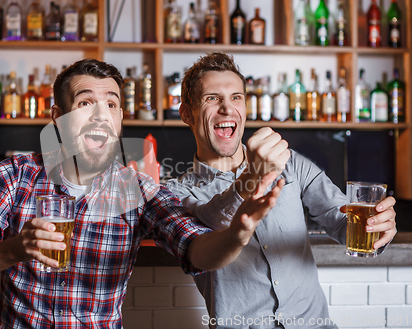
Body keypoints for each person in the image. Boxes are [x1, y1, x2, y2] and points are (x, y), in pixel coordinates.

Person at [0, 58, 285, 328]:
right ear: (57, 118)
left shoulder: (140, 191)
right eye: (86, 104)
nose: (101, 115)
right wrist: (13, 249)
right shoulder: (14, 175)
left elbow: (199, 251)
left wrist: (237, 233)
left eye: (112, 104)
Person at [165, 52, 397, 329]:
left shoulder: (291, 163)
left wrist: (377, 229)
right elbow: (212, 223)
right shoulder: (176, 193)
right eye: (212, 98)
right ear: (187, 113)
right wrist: (252, 177)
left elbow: (342, 221)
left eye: (236, 97)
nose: (227, 108)